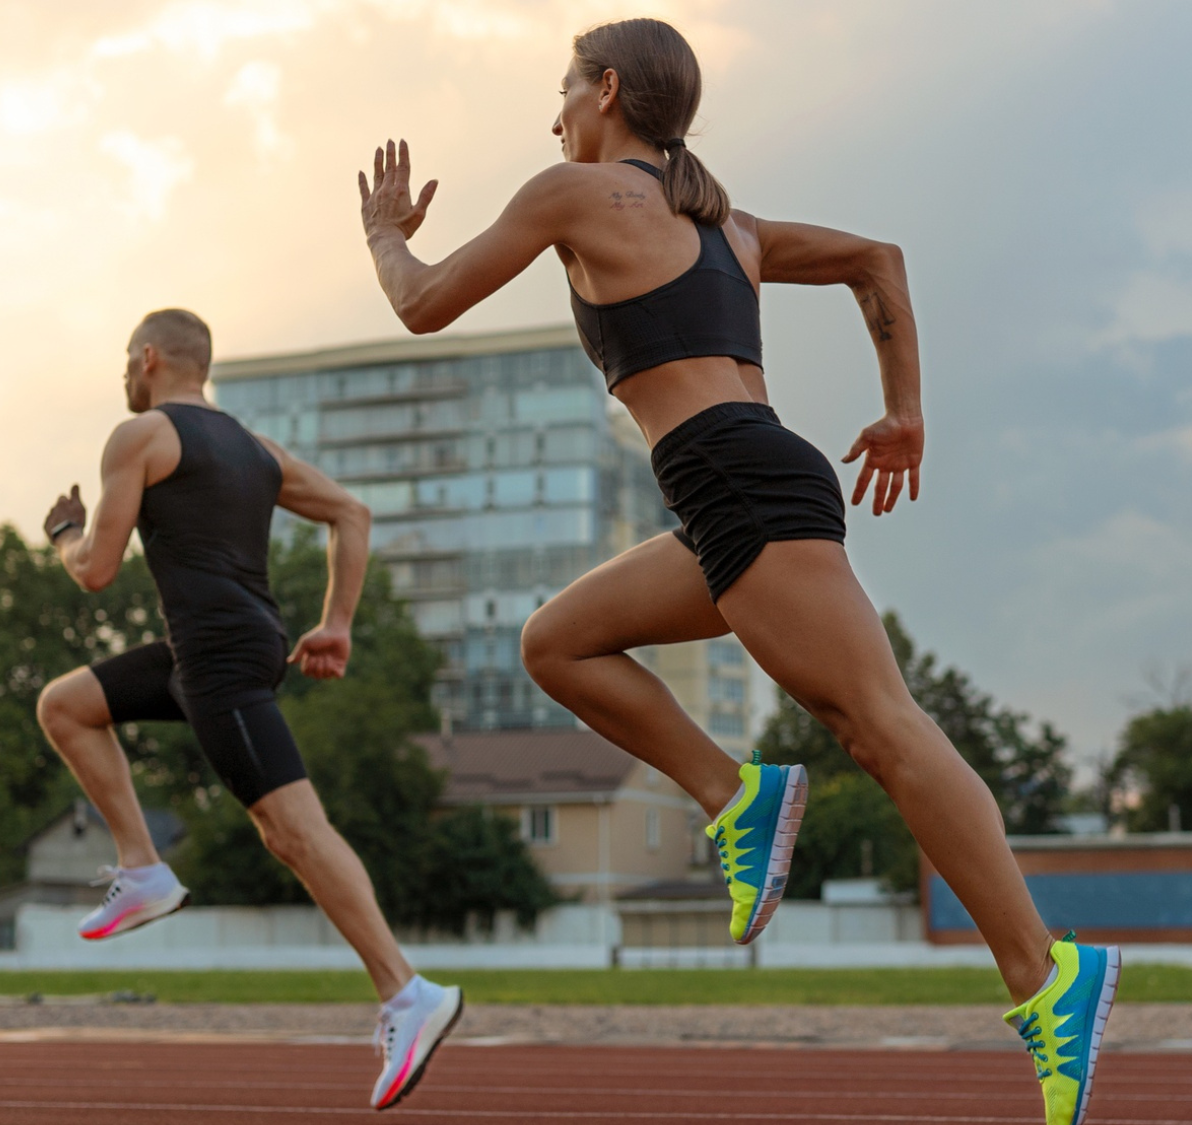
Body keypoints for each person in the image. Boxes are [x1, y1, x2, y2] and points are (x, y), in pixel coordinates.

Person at [356, 18, 1118, 1125]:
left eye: (563, 91)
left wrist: (381, 232)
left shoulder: (572, 194)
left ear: (607, 90)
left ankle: (1046, 975)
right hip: (734, 492)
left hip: (736, 483)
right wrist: (902, 409)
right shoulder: (731, 227)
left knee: (881, 727)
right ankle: (734, 793)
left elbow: (419, 301)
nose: (554, 115)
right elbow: (876, 260)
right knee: (556, 644)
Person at [35, 309, 461, 1111]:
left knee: (293, 830)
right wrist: (335, 622)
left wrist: (63, 531)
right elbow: (352, 513)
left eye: (129, 359)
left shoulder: (140, 438)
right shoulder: (255, 449)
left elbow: (94, 569)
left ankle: (408, 992)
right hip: (216, 648)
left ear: (152, 357)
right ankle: (143, 868)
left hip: (220, 659)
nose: (125, 373)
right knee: (65, 705)